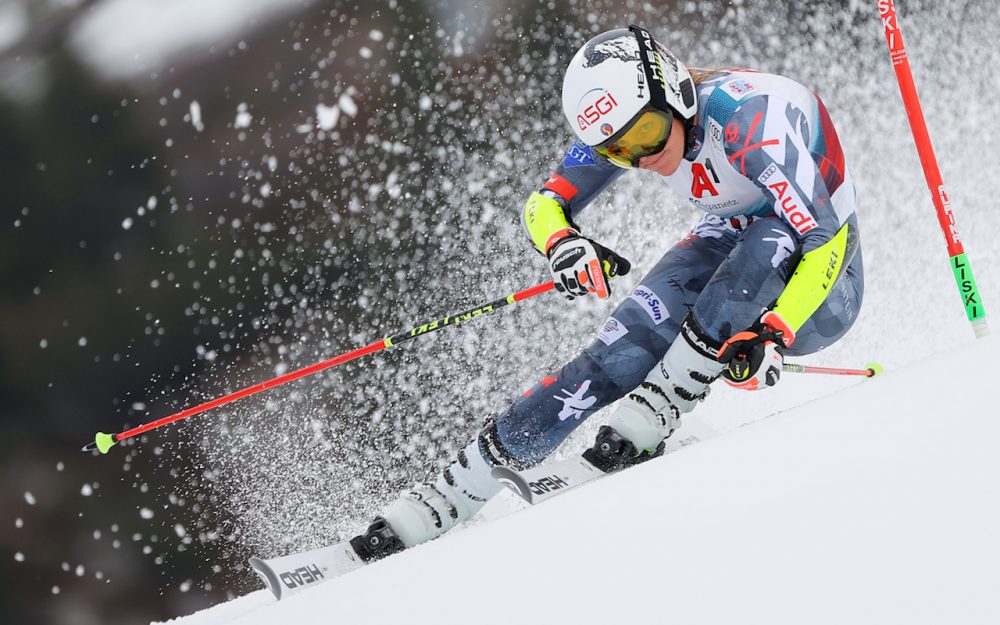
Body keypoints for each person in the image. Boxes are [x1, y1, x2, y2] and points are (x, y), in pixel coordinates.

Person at [349, 25, 864, 559]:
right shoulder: (629, 121)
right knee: (617, 352)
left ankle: (661, 404)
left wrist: (774, 331)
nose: (641, 158)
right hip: (731, 249)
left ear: (675, 92)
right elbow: (542, 204)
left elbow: (826, 238)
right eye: (618, 151)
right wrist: (563, 244)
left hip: (823, 289)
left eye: (644, 136)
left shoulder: (750, 122)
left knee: (771, 234)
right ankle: (447, 495)